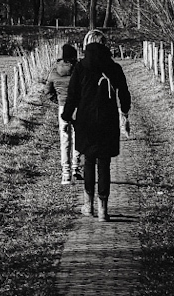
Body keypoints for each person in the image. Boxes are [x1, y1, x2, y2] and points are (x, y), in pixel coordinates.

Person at [61, 30, 131, 221]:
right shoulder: (114, 67)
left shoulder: (81, 67)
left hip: (86, 122)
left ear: (87, 45)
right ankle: (103, 210)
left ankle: (88, 205)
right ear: (104, 45)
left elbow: (73, 95)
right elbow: (124, 94)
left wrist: (66, 116)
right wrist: (124, 112)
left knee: (89, 162)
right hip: (107, 121)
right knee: (105, 164)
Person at [44, 43, 82, 184]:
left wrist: (58, 101)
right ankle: (75, 168)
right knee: (78, 137)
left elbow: (47, 92)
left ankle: (65, 174)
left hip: (62, 107)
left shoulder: (54, 71)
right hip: (77, 108)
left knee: (64, 139)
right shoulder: (78, 69)